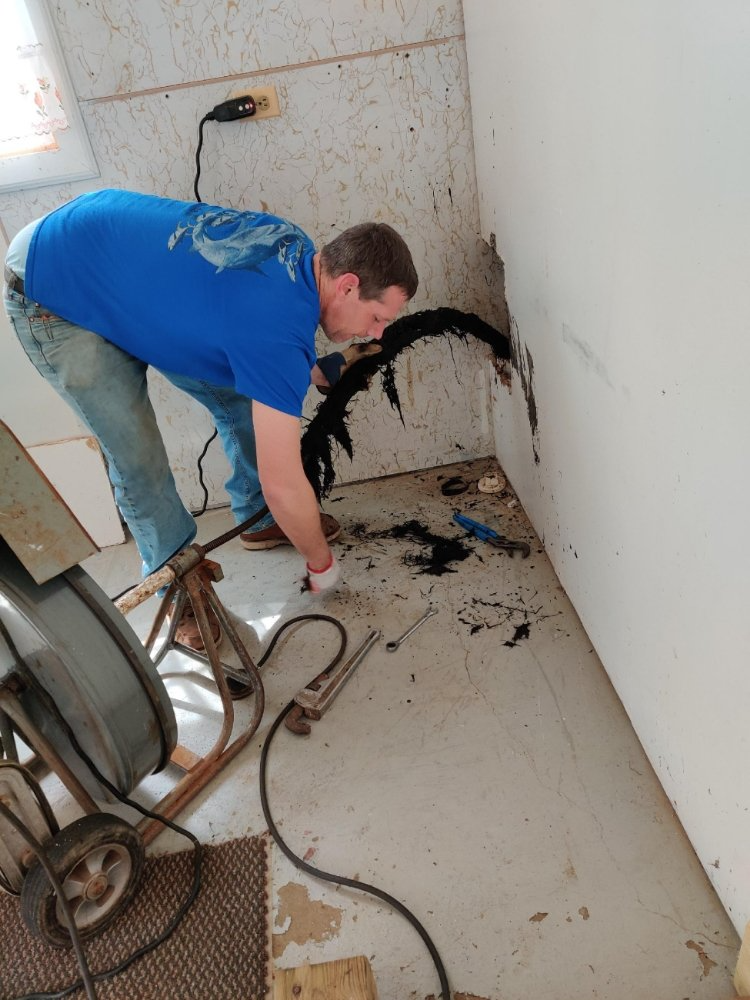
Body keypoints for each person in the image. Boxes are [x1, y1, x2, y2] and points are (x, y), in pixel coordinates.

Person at [3, 188, 418, 647]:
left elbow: (264, 353)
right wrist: (322, 565)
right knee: (138, 458)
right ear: (348, 285)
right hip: (54, 288)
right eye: (378, 317)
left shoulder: (299, 252)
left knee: (242, 397)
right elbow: (285, 474)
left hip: (111, 264)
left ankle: (259, 520)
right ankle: (176, 587)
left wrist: (318, 371)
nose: (377, 332)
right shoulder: (275, 330)